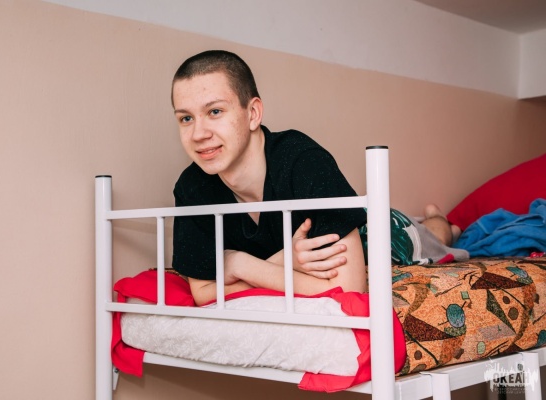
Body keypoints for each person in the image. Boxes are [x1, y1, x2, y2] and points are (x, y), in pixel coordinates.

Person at [170, 50, 463, 306]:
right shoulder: (192, 188)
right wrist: (284, 261)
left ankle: (441, 221)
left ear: (253, 114)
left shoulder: (302, 159)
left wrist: (238, 264)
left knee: (433, 236)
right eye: (186, 118)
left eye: (215, 111)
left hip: (372, 231)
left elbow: (349, 289)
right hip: (322, 240)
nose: (198, 134)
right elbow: (203, 293)